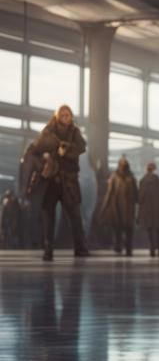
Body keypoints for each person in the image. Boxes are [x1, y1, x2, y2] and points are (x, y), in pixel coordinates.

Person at [24, 105, 89, 261]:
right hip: (51, 181)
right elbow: (32, 151)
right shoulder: (48, 133)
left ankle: (80, 248)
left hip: (69, 181)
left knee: (75, 215)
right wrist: (42, 164)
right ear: (58, 116)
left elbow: (82, 147)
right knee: (48, 216)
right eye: (64, 115)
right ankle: (48, 251)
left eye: (69, 115)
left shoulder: (75, 132)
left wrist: (66, 150)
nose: (67, 118)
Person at [101, 156, 138, 255]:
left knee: (128, 229)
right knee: (118, 229)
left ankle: (128, 248)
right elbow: (110, 193)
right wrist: (104, 207)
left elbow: (135, 194)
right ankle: (119, 246)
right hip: (117, 207)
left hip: (128, 208)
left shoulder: (131, 177)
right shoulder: (115, 177)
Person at [137, 161, 159, 257]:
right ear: (154, 169)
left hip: (147, 210)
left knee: (150, 230)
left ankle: (152, 248)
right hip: (158, 209)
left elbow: (140, 197)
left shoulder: (143, 181)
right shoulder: (158, 180)